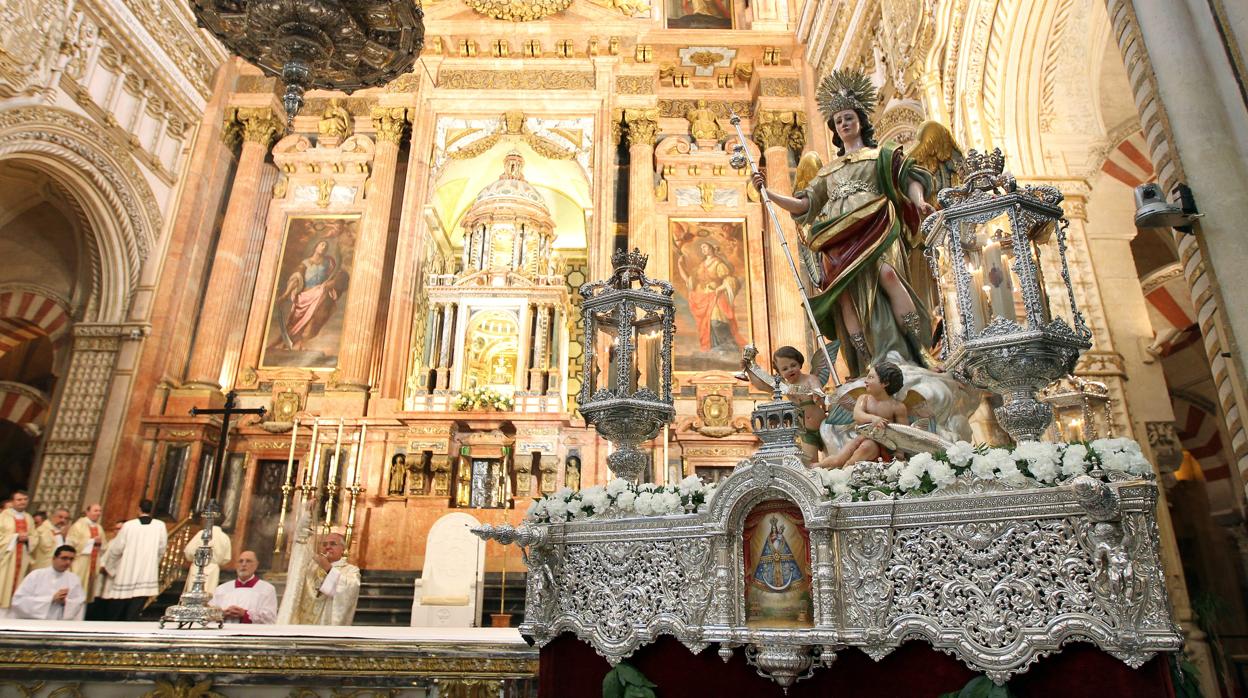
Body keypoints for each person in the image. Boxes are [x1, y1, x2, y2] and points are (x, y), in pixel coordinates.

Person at [753, 69, 935, 378]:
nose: (844, 124)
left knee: (889, 276)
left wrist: (920, 203)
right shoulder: (828, 170)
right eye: (838, 121)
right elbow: (805, 205)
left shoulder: (882, 155)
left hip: (877, 225)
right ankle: (866, 366)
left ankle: (918, 350)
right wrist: (767, 192)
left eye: (848, 117)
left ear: (860, 120)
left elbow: (909, 178)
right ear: (835, 131)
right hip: (839, 237)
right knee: (846, 299)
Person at [816, 361, 909, 469]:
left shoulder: (897, 407)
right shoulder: (864, 399)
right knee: (839, 458)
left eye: (871, 377)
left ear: (885, 383)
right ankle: (817, 466)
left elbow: (903, 433)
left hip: (885, 445)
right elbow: (857, 415)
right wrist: (873, 418)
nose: (865, 381)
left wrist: (900, 453)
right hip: (862, 437)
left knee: (867, 447)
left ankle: (847, 469)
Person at [744, 346, 827, 461]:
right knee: (810, 463)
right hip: (807, 433)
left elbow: (817, 389)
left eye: (793, 365)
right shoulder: (784, 387)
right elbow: (760, 385)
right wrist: (748, 368)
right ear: (779, 372)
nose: (790, 370)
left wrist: (817, 394)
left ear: (799, 363)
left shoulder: (809, 379)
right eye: (785, 369)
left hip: (824, 426)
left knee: (832, 457)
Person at [270, 239, 343, 352]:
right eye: (322, 244)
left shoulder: (328, 263)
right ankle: (285, 342)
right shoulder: (305, 263)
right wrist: (285, 295)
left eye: (326, 246)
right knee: (294, 322)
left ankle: (299, 343)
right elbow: (296, 278)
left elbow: (334, 273)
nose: (324, 247)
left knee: (312, 319)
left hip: (319, 294)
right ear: (316, 246)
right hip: (304, 296)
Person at [99, 499, 167, 621]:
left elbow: (117, 548)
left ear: (139, 509)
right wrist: (153, 563)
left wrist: (111, 566)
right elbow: (161, 548)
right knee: (133, 613)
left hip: (127, 571)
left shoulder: (129, 526)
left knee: (117, 611)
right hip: (146, 573)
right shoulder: (160, 526)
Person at [678, 238, 747, 354]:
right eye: (701, 248)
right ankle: (715, 348)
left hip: (716, 297)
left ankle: (728, 346)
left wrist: (720, 288)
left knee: (716, 321)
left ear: (712, 248)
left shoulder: (718, 263)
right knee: (707, 324)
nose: (703, 249)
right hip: (704, 297)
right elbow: (690, 282)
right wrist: (680, 266)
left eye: (705, 247)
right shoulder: (701, 266)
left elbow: (730, 280)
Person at [291, 532, 359, 625]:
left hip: (327, 624)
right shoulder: (311, 568)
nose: (327, 547)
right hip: (305, 621)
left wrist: (328, 568)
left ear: (343, 549)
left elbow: (349, 590)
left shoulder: (351, 570)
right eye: (324, 544)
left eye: (333, 544)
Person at [10, 545, 84, 620]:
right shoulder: (36, 575)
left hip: (59, 623)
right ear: (54, 558)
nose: (68, 562)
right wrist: (51, 599)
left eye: (71, 559)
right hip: (35, 623)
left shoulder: (74, 579)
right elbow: (19, 601)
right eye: (64, 558)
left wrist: (66, 602)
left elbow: (78, 602)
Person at [210, 551, 277, 624]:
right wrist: (222, 614)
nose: (243, 564)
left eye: (248, 561)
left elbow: (270, 618)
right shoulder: (221, 589)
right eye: (240, 561)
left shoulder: (267, 589)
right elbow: (209, 614)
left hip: (250, 633)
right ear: (236, 565)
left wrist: (244, 614)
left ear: (256, 565)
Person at [67, 503, 108, 604]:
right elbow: (71, 543)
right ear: (87, 512)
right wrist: (91, 541)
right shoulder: (78, 525)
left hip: (93, 562)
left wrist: (99, 543)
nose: (98, 513)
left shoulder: (99, 527)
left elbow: (104, 547)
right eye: (95, 511)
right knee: (77, 589)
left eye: (99, 511)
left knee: (87, 593)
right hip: (80, 561)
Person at [0, 491, 34, 613]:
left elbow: (34, 537)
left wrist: (28, 539)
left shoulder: (28, 518)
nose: (22, 502)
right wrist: (15, 537)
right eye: (19, 500)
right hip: (7, 558)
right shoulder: (4, 516)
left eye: (25, 499)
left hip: (22, 557)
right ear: (13, 501)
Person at [182, 524, 231, 594]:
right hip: (213, 570)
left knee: (193, 594)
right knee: (209, 594)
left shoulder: (202, 533)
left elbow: (189, 551)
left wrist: (194, 558)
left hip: (198, 567)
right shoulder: (224, 537)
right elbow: (226, 558)